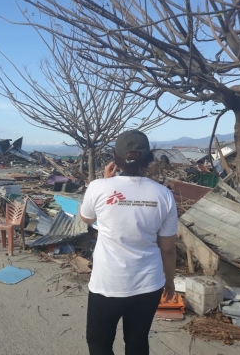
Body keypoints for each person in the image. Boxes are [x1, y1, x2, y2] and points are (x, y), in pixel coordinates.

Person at [80, 129, 178, 355]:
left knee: (99, 343)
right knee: (137, 343)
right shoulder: (164, 194)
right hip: (148, 284)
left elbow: (87, 218)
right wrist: (169, 282)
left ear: (115, 157)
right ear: (149, 157)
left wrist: (106, 182)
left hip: (107, 284)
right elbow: (168, 249)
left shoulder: (98, 187)